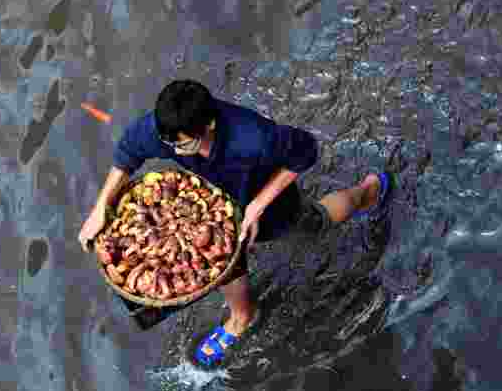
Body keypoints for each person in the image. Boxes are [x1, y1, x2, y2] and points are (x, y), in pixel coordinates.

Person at [78, 79, 394, 367]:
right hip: (215, 205)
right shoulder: (168, 128)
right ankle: (242, 317)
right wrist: (101, 207)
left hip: (264, 200)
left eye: (184, 145)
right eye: (169, 143)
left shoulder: (253, 137)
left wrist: (257, 205)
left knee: (313, 224)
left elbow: (305, 152)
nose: (174, 151)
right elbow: (128, 153)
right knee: (227, 264)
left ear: (210, 125)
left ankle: (368, 191)